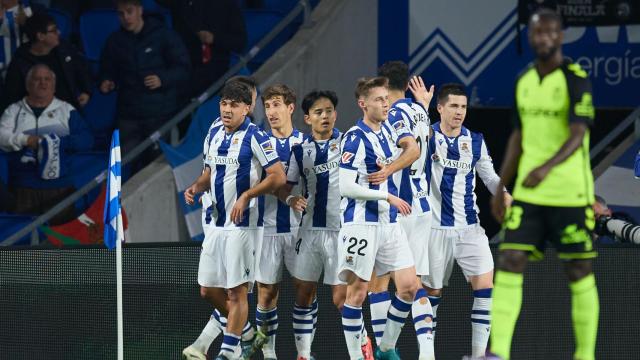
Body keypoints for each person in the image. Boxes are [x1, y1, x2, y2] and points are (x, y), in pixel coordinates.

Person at [490, 8, 598, 360]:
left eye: (551, 32)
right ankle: (499, 354)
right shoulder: (524, 81)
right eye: (538, 32)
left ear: (560, 36)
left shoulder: (574, 77)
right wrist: (501, 186)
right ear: (531, 36)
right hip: (529, 194)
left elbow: (579, 133)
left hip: (569, 193)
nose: (544, 38)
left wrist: (547, 168)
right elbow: (517, 139)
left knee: (578, 268)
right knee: (509, 259)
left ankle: (585, 355)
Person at [183, 81, 286, 360]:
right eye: (224, 104)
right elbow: (208, 172)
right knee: (207, 290)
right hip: (215, 224)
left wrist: (247, 196)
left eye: (234, 105)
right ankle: (249, 333)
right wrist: (196, 187)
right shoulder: (214, 131)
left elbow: (278, 176)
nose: (227, 110)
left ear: (246, 109)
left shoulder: (256, 137)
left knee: (236, 292)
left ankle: (229, 352)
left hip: (244, 224)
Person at [275, 90, 374, 360]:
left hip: (341, 232)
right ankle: (304, 355)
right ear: (307, 118)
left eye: (329, 110)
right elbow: (283, 188)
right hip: (308, 232)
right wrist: (292, 198)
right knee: (303, 293)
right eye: (319, 112)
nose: (325, 116)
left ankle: (363, 345)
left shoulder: (348, 143)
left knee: (341, 299)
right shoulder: (299, 151)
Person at [419, 83, 511, 359]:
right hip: (434, 230)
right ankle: (427, 354)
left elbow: (490, 176)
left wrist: (505, 195)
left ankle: (479, 355)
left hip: (470, 228)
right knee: (430, 294)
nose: (459, 112)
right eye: (454, 106)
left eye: (463, 107)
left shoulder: (475, 141)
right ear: (440, 107)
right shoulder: (426, 136)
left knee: (485, 289)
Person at [338, 76, 417, 360]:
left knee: (409, 287)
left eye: (387, 98)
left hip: (389, 223)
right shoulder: (354, 137)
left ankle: (385, 349)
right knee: (357, 295)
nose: (386, 104)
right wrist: (386, 196)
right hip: (360, 224)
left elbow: (412, 149)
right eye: (379, 100)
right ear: (363, 104)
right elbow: (345, 186)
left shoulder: (387, 133)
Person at [365, 61, 435, 360]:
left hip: (398, 207)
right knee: (413, 283)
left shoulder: (393, 113)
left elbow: (411, 149)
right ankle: (426, 352)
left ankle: (384, 346)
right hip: (422, 206)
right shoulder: (420, 110)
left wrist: (387, 170)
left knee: (377, 283)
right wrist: (425, 104)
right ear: (407, 84)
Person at [99, 0, 190, 171]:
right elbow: (106, 70)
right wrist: (106, 82)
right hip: (128, 114)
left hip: (159, 113)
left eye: (129, 11)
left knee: (156, 166)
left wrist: (162, 79)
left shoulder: (163, 35)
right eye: (121, 14)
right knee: (124, 165)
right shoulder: (115, 41)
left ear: (140, 10)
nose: (126, 17)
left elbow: (183, 68)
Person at [0, 64, 93, 225]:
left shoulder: (67, 110)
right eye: (37, 79)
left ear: (54, 86)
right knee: (24, 245)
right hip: (23, 188)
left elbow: (87, 140)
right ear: (28, 85)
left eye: (47, 79)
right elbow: (2, 136)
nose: (42, 83)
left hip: (60, 188)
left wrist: (57, 142)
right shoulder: (13, 111)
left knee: (61, 242)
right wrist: (26, 140)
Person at [253, 84, 305, 360]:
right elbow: (266, 182)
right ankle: (269, 354)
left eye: (276, 105)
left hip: (299, 230)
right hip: (268, 229)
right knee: (266, 293)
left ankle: (303, 353)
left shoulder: (305, 143)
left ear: (290, 107)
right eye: (267, 106)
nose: (271, 111)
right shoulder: (259, 142)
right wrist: (289, 198)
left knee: (305, 289)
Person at [2, 11, 92, 113]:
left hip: (68, 111)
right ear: (41, 36)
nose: (59, 32)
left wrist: (86, 91)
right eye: (53, 31)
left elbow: (82, 71)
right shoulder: (20, 62)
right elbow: (11, 99)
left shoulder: (64, 50)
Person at [156, 0, 247, 98]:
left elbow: (240, 42)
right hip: (186, 69)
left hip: (216, 71)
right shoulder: (181, 3)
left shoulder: (226, 4)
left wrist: (214, 39)